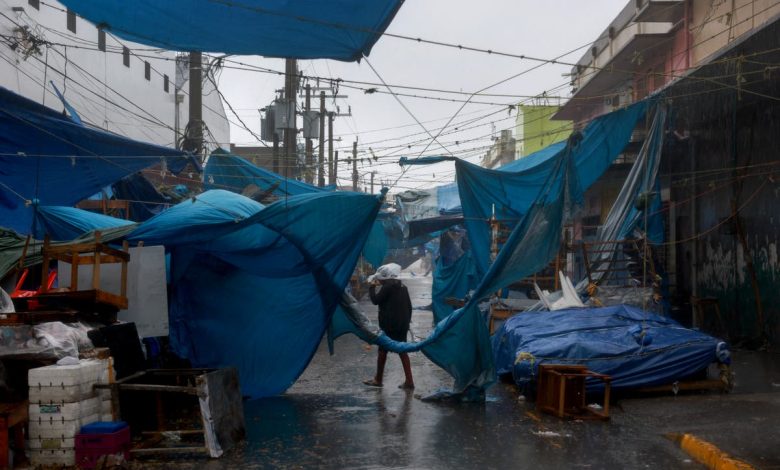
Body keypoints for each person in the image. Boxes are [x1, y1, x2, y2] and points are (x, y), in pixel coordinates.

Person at [363, 263, 415, 390]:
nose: (379, 280)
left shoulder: (387, 287)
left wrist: (371, 287)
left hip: (390, 324)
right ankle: (409, 381)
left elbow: (375, 300)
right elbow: (409, 306)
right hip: (402, 324)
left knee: (382, 350)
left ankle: (378, 379)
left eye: (380, 278)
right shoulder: (403, 286)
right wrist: (407, 322)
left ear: (385, 277)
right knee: (402, 350)